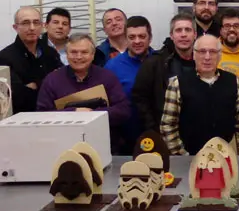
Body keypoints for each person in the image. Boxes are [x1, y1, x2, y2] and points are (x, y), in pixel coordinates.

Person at [36, 34, 131, 154]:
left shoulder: (108, 77)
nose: (79, 57)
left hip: (104, 145)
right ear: (66, 54)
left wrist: (92, 115)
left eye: (84, 52)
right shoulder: (52, 80)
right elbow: (41, 116)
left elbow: (123, 111)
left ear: (92, 55)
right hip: (63, 148)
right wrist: (73, 113)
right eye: (74, 52)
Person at [161, 35, 239, 155]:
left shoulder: (233, 81)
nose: (207, 57)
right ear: (194, 54)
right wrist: (181, 155)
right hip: (190, 156)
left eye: (212, 52)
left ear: (220, 55)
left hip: (226, 156)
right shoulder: (177, 84)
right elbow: (168, 125)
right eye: (202, 51)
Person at [132, 13, 196, 133]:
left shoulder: (203, 62)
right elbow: (140, 98)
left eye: (188, 30)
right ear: (171, 35)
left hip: (194, 131)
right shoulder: (155, 63)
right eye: (178, 30)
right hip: (164, 131)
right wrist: (153, 128)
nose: (183, 34)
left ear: (195, 35)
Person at [105, 16, 156, 154]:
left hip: (156, 134)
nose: (137, 41)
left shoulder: (161, 61)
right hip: (124, 139)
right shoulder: (112, 66)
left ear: (150, 38)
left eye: (142, 36)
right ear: (126, 39)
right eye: (132, 37)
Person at [0, 7, 63, 113]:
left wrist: (35, 85)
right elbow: (18, 97)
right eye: (25, 23)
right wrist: (48, 83)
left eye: (36, 22)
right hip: (22, 116)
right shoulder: (5, 57)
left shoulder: (50, 53)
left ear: (43, 26)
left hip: (53, 113)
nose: (32, 28)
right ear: (15, 27)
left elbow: (61, 83)